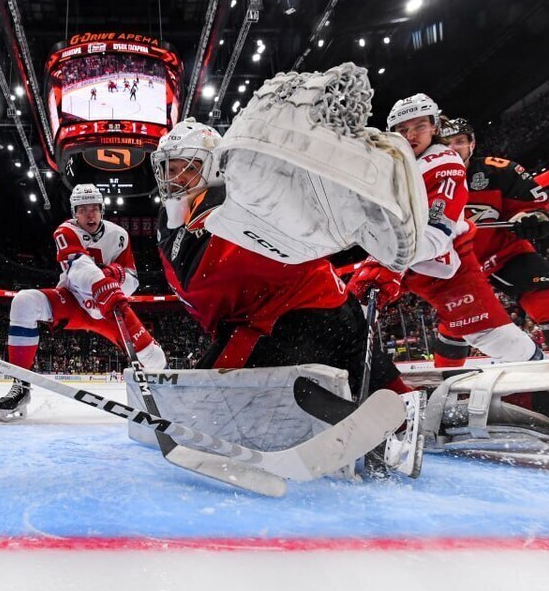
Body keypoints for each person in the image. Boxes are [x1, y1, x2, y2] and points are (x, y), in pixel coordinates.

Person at [152, 121, 408, 393]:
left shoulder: (242, 200)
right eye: (170, 168)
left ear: (215, 166)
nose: (176, 178)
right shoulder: (172, 224)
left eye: (189, 168)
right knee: (378, 385)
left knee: (204, 399)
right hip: (311, 311)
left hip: (301, 315)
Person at [348, 94, 541, 367]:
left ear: (435, 127)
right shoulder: (393, 162)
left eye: (419, 127)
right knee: (352, 308)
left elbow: (435, 236)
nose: (411, 135)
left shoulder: (445, 166)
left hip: (440, 257)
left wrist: (385, 252)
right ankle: (346, 372)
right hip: (397, 251)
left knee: (491, 335)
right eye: (402, 130)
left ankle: (538, 363)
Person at [0, 183, 166, 421]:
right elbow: (78, 268)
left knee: (156, 358)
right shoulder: (65, 232)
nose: (90, 214)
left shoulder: (119, 236)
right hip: (73, 301)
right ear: (74, 212)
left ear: (102, 210)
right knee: (24, 301)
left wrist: (117, 279)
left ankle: (163, 399)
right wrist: (102, 283)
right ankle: (21, 385)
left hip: (109, 309)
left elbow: (133, 280)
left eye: (95, 208)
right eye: (83, 209)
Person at [439, 117, 549, 364]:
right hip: (456, 265)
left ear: (472, 144)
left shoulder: (499, 170)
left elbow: (533, 206)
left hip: (503, 252)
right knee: (458, 325)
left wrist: (532, 216)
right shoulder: (422, 181)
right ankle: (444, 383)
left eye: (459, 141)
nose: (453, 149)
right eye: (445, 144)